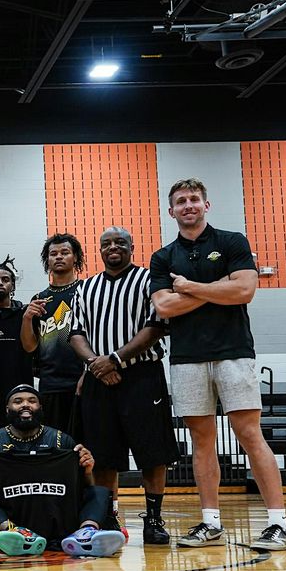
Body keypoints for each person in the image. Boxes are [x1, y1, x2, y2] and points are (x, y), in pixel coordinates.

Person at [150, 178, 286, 551]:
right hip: (187, 358)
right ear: (171, 211)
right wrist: (218, 287)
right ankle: (211, 523)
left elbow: (244, 290)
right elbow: (164, 306)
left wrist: (189, 287)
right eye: (181, 201)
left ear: (206, 205)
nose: (188, 205)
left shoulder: (232, 242)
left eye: (194, 199)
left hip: (234, 352)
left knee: (249, 434)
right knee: (201, 441)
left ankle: (278, 523)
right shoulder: (163, 257)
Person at [69, 226, 179, 546]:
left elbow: (156, 326)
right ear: (100, 250)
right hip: (99, 377)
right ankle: (109, 517)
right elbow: (75, 333)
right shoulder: (85, 287)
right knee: (103, 455)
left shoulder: (148, 280)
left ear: (132, 247)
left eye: (120, 242)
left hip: (142, 376)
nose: (113, 247)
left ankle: (154, 520)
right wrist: (96, 364)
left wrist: (115, 359)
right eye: (106, 244)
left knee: (153, 453)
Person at [0, 385, 125, 558]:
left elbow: (84, 486)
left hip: (59, 518)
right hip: (13, 516)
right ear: (7, 409)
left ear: (40, 407)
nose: (25, 405)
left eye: (32, 401)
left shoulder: (61, 440)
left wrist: (87, 472)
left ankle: (86, 532)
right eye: (18, 401)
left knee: (100, 491)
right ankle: (14, 531)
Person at [20, 233, 85, 435]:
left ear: (75, 257)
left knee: (85, 443)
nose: (58, 257)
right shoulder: (40, 299)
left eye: (64, 252)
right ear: (47, 260)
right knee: (55, 442)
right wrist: (27, 318)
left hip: (82, 380)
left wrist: (89, 373)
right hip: (50, 384)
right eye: (53, 254)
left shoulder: (87, 291)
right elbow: (30, 347)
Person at [0, 256, 33, 429]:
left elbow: (32, 348)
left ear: (13, 286)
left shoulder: (25, 314)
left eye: (5, 280)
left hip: (19, 388)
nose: (0, 283)